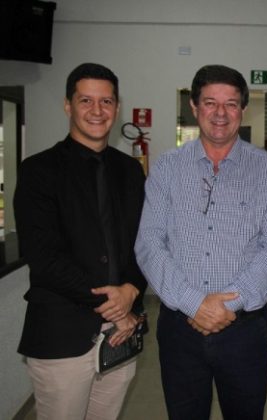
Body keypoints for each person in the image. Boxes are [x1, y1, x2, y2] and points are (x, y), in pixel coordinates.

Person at [135, 64, 267, 420]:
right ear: (194, 106)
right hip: (180, 329)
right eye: (210, 103)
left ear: (242, 109)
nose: (221, 113)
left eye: (231, 104)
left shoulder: (266, 170)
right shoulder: (167, 168)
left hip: (245, 330)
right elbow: (149, 242)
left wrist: (226, 306)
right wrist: (194, 303)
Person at [14, 62, 147, 420]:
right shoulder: (38, 171)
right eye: (86, 100)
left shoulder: (130, 170)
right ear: (67, 105)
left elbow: (145, 242)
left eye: (106, 101)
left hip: (120, 335)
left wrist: (132, 289)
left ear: (117, 107)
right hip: (63, 336)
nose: (96, 110)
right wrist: (115, 305)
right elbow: (44, 257)